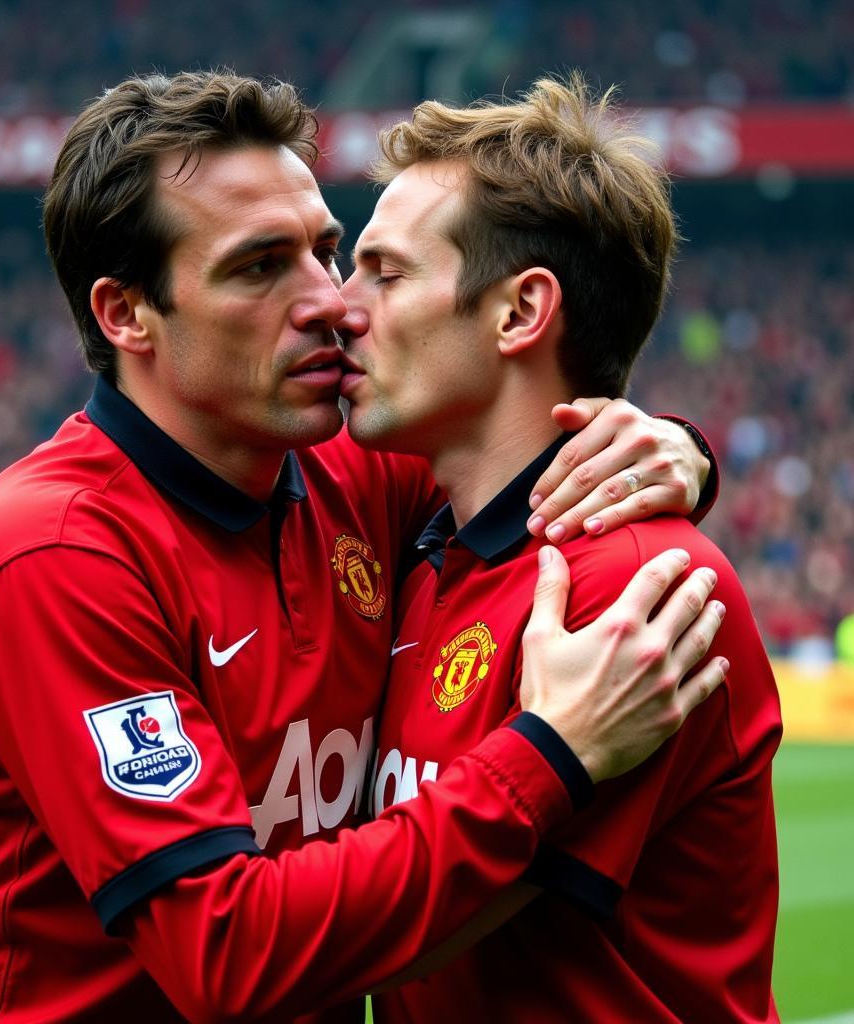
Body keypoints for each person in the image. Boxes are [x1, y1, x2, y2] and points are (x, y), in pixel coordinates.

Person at [0, 72, 722, 1023]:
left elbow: (509, 441)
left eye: (328, 250)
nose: (330, 301)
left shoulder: (360, 479)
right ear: (126, 314)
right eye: (259, 266)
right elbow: (226, 957)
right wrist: (550, 757)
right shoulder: (52, 554)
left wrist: (669, 445)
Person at [335, 75, 781, 1020]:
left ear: (518, 312)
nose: (343, 306)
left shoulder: (629, 586)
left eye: (386, 272)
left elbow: (393, 934)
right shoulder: (430, 550)